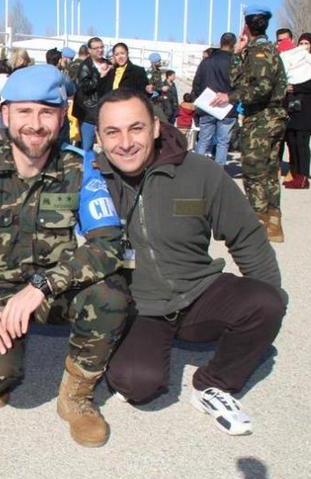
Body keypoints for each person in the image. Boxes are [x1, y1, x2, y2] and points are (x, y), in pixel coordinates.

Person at [0, 64, 130, 447]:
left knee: (111, 295)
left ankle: (76, 397)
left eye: (47, 112)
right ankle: (5, 350)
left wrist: (42, 286)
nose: (35, 123)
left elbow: (108, 244)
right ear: (4, 114)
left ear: (62, 117)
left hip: (51, 291)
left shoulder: (80, 168)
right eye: (24, 111)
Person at [92, 89, 286, 437]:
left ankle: (214, 384)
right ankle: (131, 352)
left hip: (200, 291)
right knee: (137, 384)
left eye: (135, 128)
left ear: (154, 127)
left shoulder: (199, 172)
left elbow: (245, 235)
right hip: (142, 305)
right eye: (112, 132)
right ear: (99, 137)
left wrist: (267, 311)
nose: (125, 143)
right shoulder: (92, 179)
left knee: (267, 303)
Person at [210, 5, 288, 242]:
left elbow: (259, 89)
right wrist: (238, 53)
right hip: (275, 118)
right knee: (271, 171)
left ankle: (259, 224)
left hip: (261, 120)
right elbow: (240, 79)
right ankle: (274, 223)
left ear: (247, 25)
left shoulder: (259, 52)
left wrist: (230, 97)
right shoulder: (270, 50)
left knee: (254, 172)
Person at [282, 33, 311, 189]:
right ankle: (294, 172)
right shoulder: (293, 60)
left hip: (307, 109)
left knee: (301, 143)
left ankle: (303, 176)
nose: (303, 46)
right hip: (292, 107)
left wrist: (295, 87)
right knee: (291, 142)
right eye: (301, 43)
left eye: (306, 43)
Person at [192, 32, 238, 167]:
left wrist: (203, 99)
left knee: (203, 140)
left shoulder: (206, 62)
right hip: (227, 107)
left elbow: (197, 83)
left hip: (208, 106)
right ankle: (218, 174)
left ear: (220, 42)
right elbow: (241, 85)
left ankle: (197, 170)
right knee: (223, 142)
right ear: (233, 45)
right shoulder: (235, 63)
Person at [71, 39, 104, 151]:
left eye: (101, 47)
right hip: (88, 113)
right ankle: (87, 167)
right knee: (87, 147)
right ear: (89, 50)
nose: (100, 50)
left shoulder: (107, 64)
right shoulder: (85, 66)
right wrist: (100, 75)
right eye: (96, 48)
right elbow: (85, 87)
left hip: (104, 112)